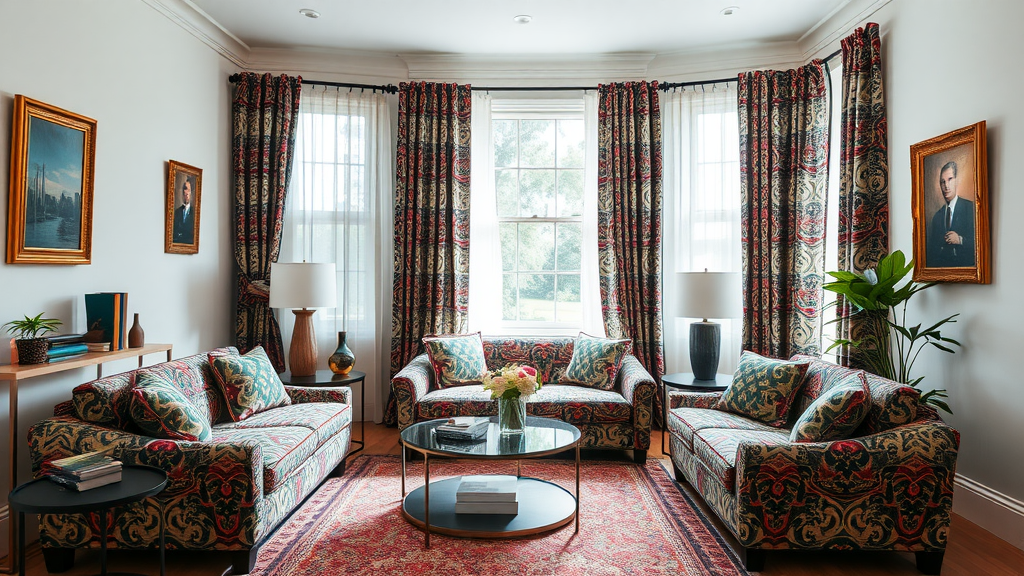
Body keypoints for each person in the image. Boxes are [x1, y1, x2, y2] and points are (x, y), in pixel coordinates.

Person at [926, 161, 975, 268]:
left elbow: (982, 244)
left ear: (956, 181)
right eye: (942, 182)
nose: (946, 186)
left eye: (950, 179)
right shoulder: (937, 217)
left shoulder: (970, 208)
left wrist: (960, 240)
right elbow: (931, 253)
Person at [172, 178, 195, 244]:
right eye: (185, 189)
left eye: (189, 190)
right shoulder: (177, 212)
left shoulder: (195, 213)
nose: (187, 192)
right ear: (182, 192)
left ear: (191, 193)